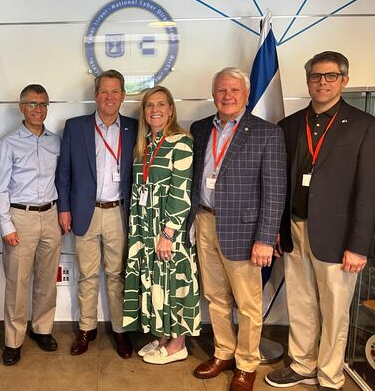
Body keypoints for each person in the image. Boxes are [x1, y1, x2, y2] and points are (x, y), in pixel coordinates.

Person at [266, 51, 375, 391]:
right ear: (308, 80)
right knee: (300, 303)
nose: (322, 82)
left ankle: (330, 375)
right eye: (316, 76)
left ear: (344, 80)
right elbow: (281, 182)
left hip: (338, 236)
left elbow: (369, 190)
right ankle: (302, 364)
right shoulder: (290, 125)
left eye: (330, 76)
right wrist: (279, 230)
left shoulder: (364, 126)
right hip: (296, 229)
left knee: (335, 309)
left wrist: (359, 246)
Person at [188, 68, 286, 391]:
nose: (227, 96)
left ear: (245, 95)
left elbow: (274, 191)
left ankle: (246, 364)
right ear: (213, 94)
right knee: (215, 297)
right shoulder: (200, 129)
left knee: (248, 304)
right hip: (205, 221)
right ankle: (223, 352)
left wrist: (264, 238)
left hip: (244, 231)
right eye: (221, 91)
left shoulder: (266, 133)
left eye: (234, 90)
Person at [56, 69, 137, 359]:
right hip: (84, 211)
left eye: (116, 91)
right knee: (87, 275)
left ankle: (120, 330)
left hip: (118, 213)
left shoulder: (133, 128)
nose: (110, 97)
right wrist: (64, 208)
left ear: (123, 96)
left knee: (117, 276)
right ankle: (86, 329)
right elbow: (63, 172)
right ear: (95, 95)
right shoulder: (75, 127)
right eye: (104, 91)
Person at [122, 86, 200, 365]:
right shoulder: (146, 144)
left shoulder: (181, 142)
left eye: (161, 104)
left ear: (171, 109)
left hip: (168, 229)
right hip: (144, 226)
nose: (155, 109)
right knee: (157, 283)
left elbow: (182, 192)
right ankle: (165, 336)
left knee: (173, 283)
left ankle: (178, 343)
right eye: (149, 105)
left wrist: (167, 233)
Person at [0, 84, 61, 366]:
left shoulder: (55, 141)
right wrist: (6, 225)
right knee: (17, 283)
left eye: (43, 104)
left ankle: (42, 329)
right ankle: (13, 340)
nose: (38, 109)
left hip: (51, 216)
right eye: (33, 104)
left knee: (47, 280)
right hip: (21, 217)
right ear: (21, 107)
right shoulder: (8, 143)